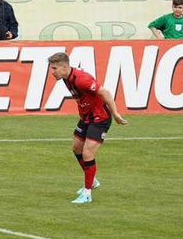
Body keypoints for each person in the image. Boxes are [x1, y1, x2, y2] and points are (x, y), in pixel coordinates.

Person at [46, 52, 128, 205]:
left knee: (87, 153)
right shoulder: (66, 78)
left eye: (54, 68)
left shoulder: (82, 79)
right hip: (86, 117)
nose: (52, 72)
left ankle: (87, 193)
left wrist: (115, 113)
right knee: (76, 148)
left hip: (100, 117)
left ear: (64, 67)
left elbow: (105, 92)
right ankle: (92, 180)